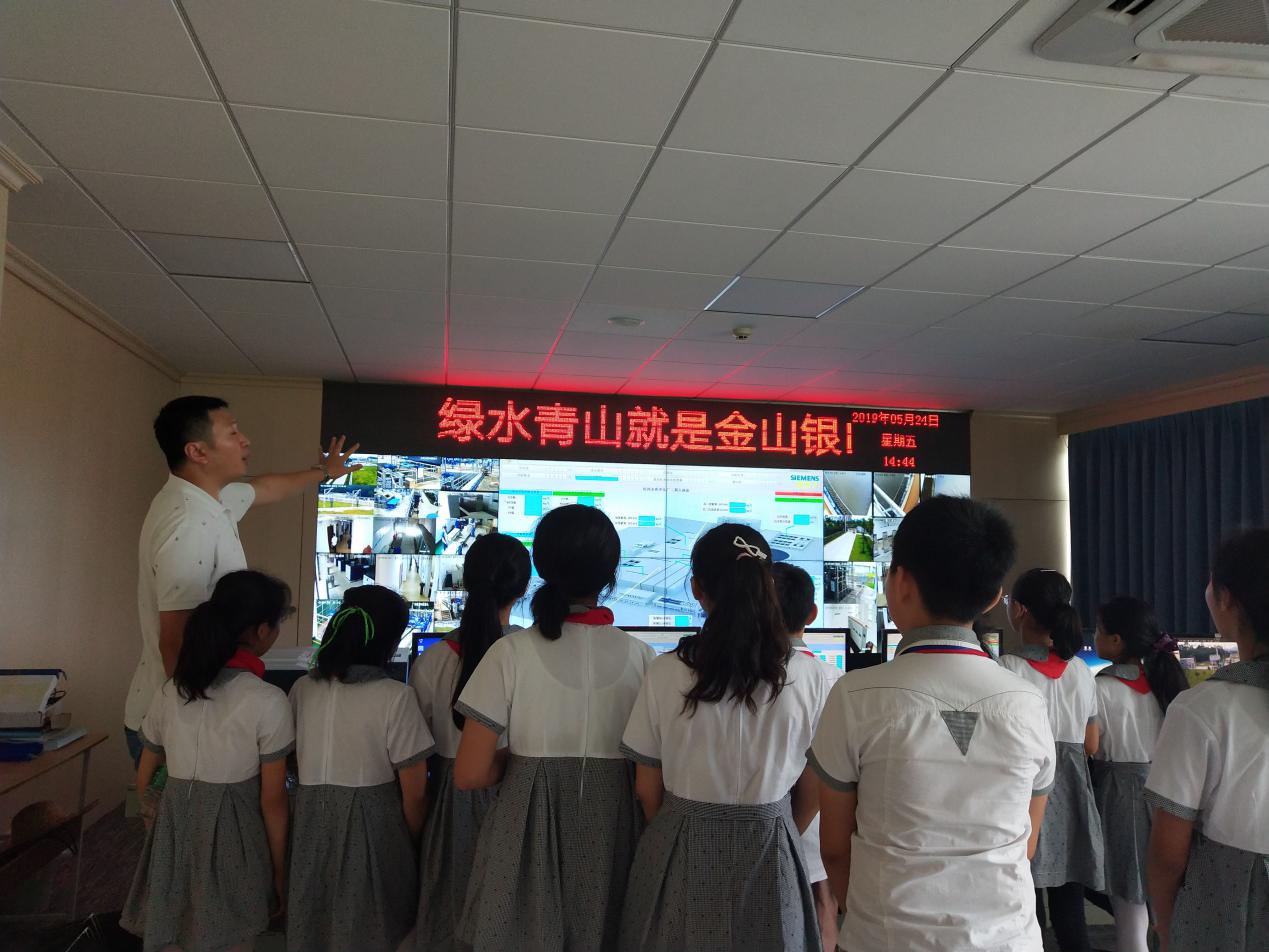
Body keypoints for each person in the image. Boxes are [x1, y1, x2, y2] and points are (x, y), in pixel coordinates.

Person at [810, 496, 1055, 952]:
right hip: (1009, 940)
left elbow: (836, 850)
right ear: (994, 596)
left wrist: (867, 915)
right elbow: (1027, 843)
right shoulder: (1029, 703)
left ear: (900, 582)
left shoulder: (854, 695)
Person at [452, 504, 654, 951]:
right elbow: (649, 781)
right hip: (614, 834)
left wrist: (524, 763)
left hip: (525, 833)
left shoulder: (510, 653)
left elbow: (468, 774)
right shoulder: (644, 659)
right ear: (612, 572)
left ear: (540, 566)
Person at [619, 528, 826, 952]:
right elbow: (814, 788)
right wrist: (776, 824)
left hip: (680, 842)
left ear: (697, 589)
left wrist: (679, 826)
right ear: (767, 584)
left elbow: (646, 789)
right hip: (772, 844)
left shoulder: (664, 671)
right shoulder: (811, 675)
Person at [126, 394, 361, 765]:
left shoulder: (209, 498)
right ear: (197, 451)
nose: (245, 440)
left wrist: (325, 472)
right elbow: (175, 640)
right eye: (232, 432)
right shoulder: (188, 523)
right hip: (184, 724)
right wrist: (189, 728)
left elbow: (267, 488)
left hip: (197, 711)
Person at [121, 571, 294, 952]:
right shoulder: (268, 700)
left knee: (173, 931)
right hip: (236, 838)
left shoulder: (171, 691)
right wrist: (280, 871)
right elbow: (273, 801)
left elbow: (145, 777)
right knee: (232, 936)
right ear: (261, 631)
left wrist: (157, 828)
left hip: (174, 830)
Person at [287, 585, 435, 952]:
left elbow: (292, 762)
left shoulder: (302, 689)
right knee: (373, 929)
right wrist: (413, 844)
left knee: (315, 926)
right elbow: (415, 795)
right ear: (390, 641)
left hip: (310, 825)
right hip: (377, 831)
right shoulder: (396, 697)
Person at [1146, 529, 1269, 952]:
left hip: (1226, 907)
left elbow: (1168, 855)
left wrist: (1166, 928)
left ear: (1226, 599)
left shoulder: (1200, 709)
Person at [411, 533, 531, 952]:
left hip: (450, 799)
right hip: (517, 793)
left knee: (452, 909)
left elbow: (421, 747)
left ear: (466, 581)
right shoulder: (527, 654)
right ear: (523, 588)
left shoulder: (430, 661)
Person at [1000, 568, 1104, 952]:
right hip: (1072, 793)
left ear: (1020, 610)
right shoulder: (1081, 671)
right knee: (1070, 909)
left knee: (1024, 902)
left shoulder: (1006, 669)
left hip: (1023, 794)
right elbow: (1091, 743)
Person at [1091, 596, 1188, 952]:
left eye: (1099, 629)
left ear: (1116, 641)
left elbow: (1092, 745)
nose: (1094, 635)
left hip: (1121, 796)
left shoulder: (1100, 688)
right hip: (1170, 794)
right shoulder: (1167, 683)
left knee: (1129, 900)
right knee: (1165, 898)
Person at [772, 560, 844, 952]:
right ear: (812, 614)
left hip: (764, 816)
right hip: (818, 822)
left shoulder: (748, 674)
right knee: (821, 905)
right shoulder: (833, 678)